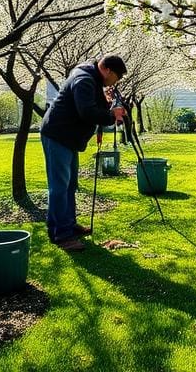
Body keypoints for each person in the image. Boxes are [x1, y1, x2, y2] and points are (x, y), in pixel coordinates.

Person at [39, 54, 127, 251]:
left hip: (67, 138)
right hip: (58, 136)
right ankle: (62, 235)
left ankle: (68, 225)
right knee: (59, 187)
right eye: (118, 76)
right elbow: (86, 112)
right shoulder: (85, 80)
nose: (117, 81)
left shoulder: (91, 79)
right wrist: (112, 114)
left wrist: (107, 102)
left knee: (70, 185)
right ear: (108, 71)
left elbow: (93, 106)